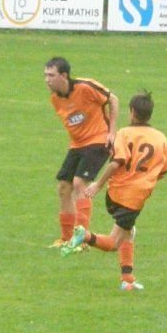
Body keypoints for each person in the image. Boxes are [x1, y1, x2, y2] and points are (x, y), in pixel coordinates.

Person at [62, 91, 167, 292]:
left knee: (129, 232)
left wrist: (100, 185)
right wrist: (97, 185)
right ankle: (85, 236)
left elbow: (117, 161)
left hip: (115, 194)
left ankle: (127, 280)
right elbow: (162, 170)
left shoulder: (124, 133)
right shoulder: (161, 139)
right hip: (133, 198)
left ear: (132, 112)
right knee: (114, 243)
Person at [44, 57, 119, 249]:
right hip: (77, 145)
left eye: (51, 75)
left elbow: (113, 99)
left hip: (99, 140)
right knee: (63, 187)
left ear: (64, 76)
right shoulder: (55, 99)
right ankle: (66, 238)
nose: (47, 80)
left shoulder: (85, 87)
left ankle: (82, 239)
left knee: (79, 183)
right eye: (45, 75)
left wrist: (112, 132)